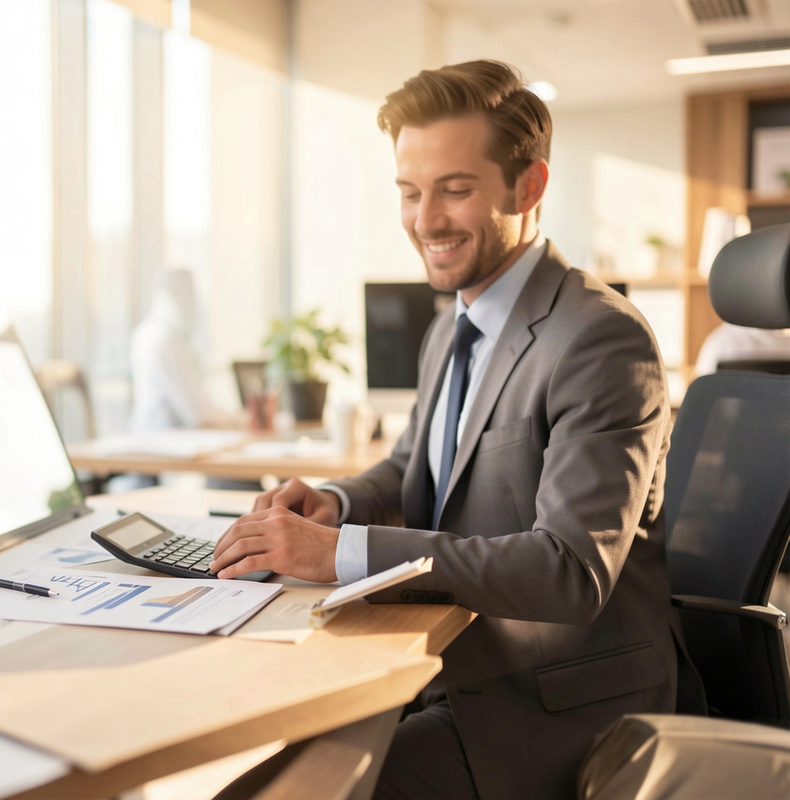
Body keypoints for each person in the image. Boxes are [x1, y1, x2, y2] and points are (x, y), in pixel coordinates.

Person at [210, 60, 695, 798]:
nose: (425, 220)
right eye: (410, 192)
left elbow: (570, 571)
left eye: (455, 190)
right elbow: (413, 469)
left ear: (528, 187)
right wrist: (336, 504)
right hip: (442, 667)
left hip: (551, 708)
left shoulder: (598, 338)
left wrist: (338, 553)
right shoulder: (450, 327)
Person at [129, 268, 215, 432]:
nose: (193, 303)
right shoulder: (167, 341)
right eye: (189, 295)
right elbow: (198, 412)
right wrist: (238, 418)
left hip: (145, 431)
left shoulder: (146, 332)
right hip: (162, 436)